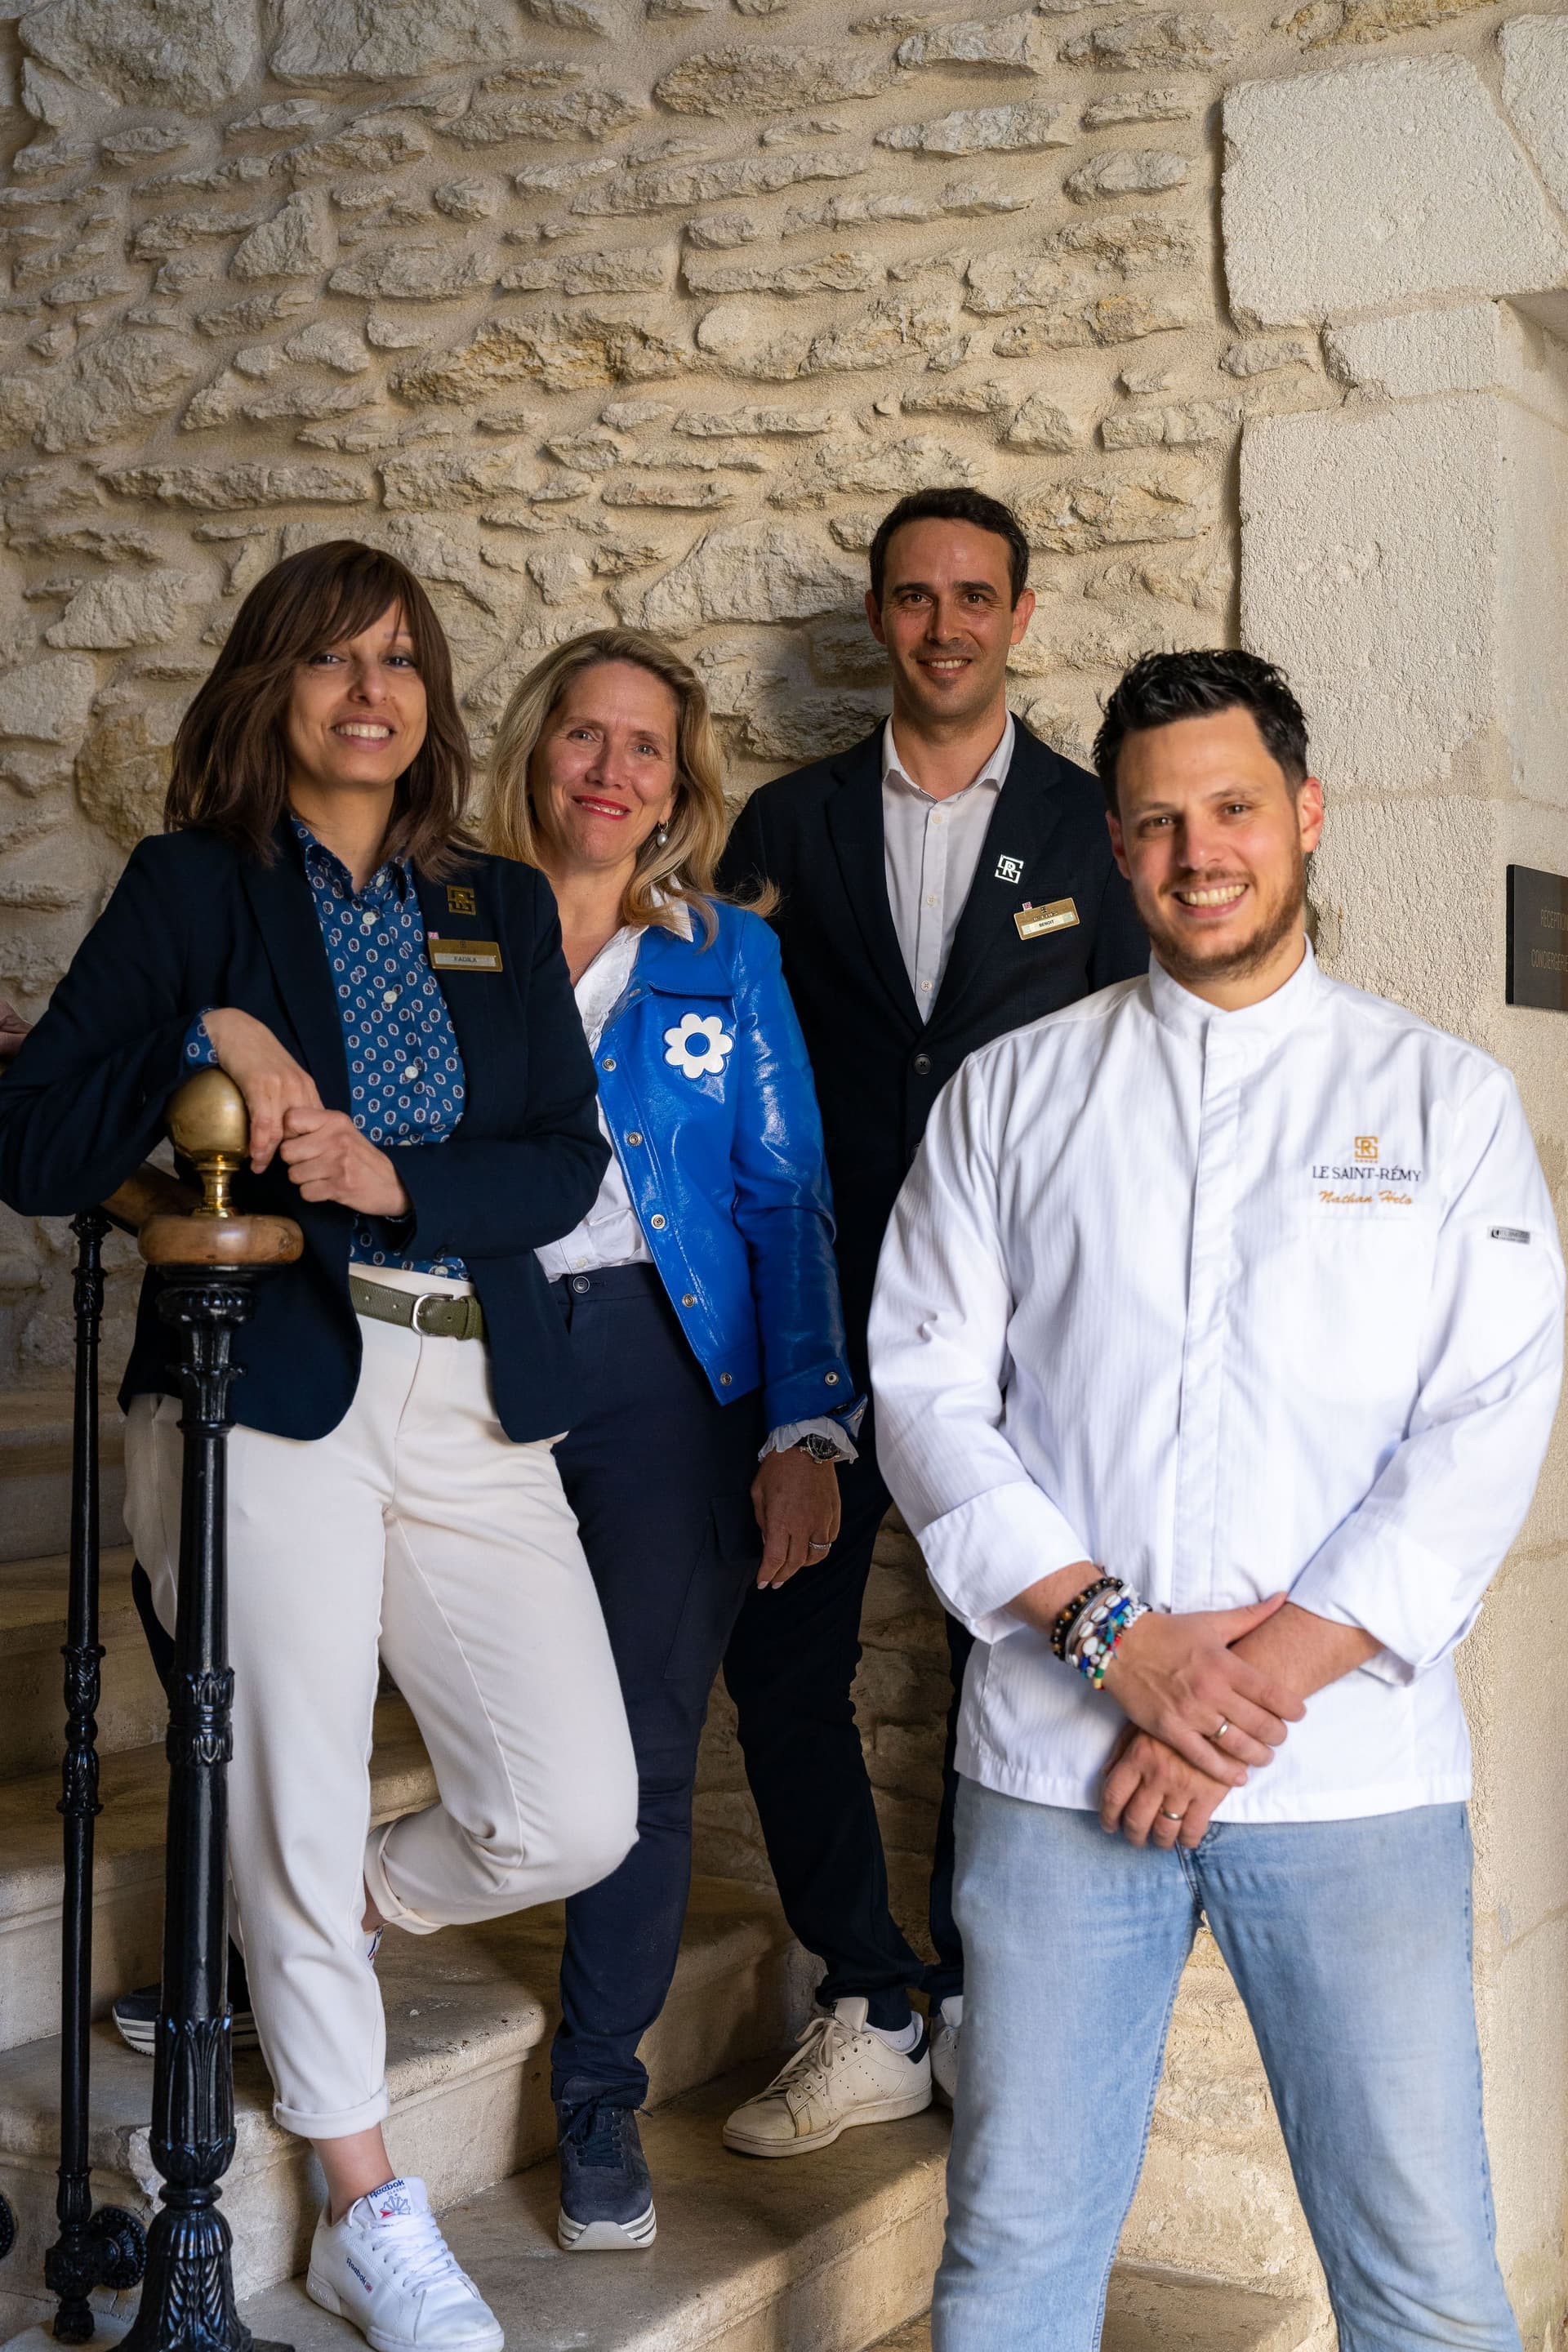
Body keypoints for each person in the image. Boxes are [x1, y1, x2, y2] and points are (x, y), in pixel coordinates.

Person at [869, 647, 1563, 2351]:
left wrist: (1238, 1687)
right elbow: (925, 1390)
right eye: (1161, 822)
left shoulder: (1443, 1105)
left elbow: (1486, 1422)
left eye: (1235, 808)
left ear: (1306, 816)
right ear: (1116, 848)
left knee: (1423, 2282)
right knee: (1014, 2262)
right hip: (1052, 1766)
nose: (1202, 854)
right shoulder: (1012, 1094)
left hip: (1347, 1780)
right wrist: (1117, 1643)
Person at [0, 541, 639, 2352]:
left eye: (402, 661)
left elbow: (562, 1162)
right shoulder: (191, 886)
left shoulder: (497, 904)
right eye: (334, 660)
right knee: (278, 1778)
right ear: (270, 689)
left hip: (469, 1384)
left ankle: (325, 1911)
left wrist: (396, 1177)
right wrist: (204, 1028)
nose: (374, 692)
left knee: (571, 1801)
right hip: (265, 1383)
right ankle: (371, 2206)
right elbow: (37, 1142)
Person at [715, 486, 1146, 2150]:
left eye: (975, 596)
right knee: (785, 1652)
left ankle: (985, 2003)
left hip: (1025, 1339)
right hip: (823, 1324)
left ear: (1021, 616)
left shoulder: (1097, 823)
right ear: (880, 620)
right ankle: (870, 1997)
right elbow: (738, 1066)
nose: (945, 624)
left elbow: (1141, 1073)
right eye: (914, 597)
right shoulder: (790, 820)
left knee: (1018, 1662)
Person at [484, 627, 862, 2248]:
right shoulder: (447, 932)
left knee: (642, 1742)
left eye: (644, 749)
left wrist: (805, 1423)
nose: (611, 771)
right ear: (537, 755)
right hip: (462, 1345)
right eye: (584, 737)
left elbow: (783, 1196)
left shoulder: (727, 957)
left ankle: (595, 2100)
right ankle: (271, 1963)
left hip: (662, 1362)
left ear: (678, 788)